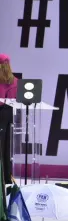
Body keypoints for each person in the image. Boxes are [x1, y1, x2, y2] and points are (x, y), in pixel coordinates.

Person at [0, 54, 18, 218]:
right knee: (6, 149)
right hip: (9, 114)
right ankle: (6, 178)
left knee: (2, 149)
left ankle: (3, 180)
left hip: (2, 112)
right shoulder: (14, 80)